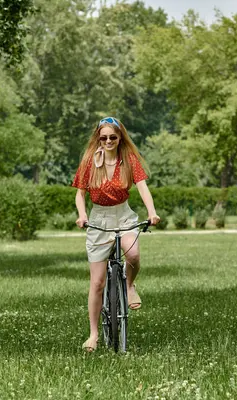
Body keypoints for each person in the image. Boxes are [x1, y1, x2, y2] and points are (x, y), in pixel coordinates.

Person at [72, 116, 160, 352]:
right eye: (104, 137)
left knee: (133, 256)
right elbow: (80, 194)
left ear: (120, 137)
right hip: (99, 218)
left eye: (113, 136)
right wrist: (82, 215)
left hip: (124, 216)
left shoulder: (129, 160)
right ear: (98, 139)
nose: (109, 141)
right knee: (97, 282)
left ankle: (129, 286)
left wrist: (152, 212)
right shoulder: (90, 162)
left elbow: (142, 187)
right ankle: (93, 334)